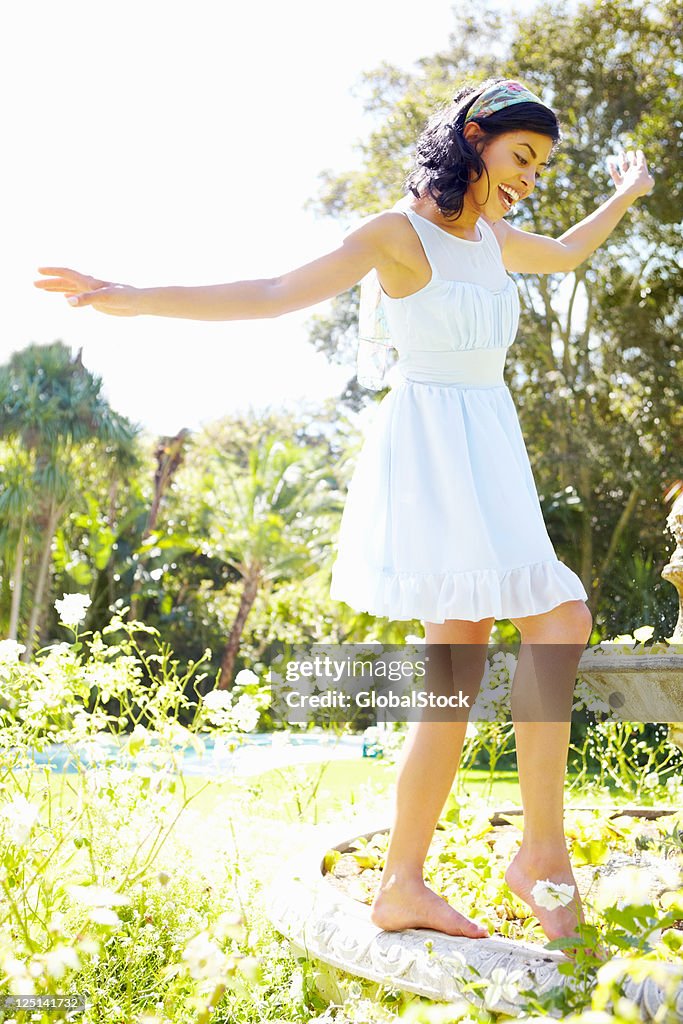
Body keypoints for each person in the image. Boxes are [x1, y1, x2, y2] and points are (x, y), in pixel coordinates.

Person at [35, 77, 654, 944]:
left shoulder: (493, 240)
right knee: (559, 618)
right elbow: (270, 291)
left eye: (542, 166)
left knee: (457, 673)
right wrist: (133, 295)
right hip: (437, 458)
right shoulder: (394, 237)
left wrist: (626, 195)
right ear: (474, 138)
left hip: (490, 451)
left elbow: (569, 251)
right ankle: (541, 854)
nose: (530, 177)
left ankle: (402, 882)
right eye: (522, 157)